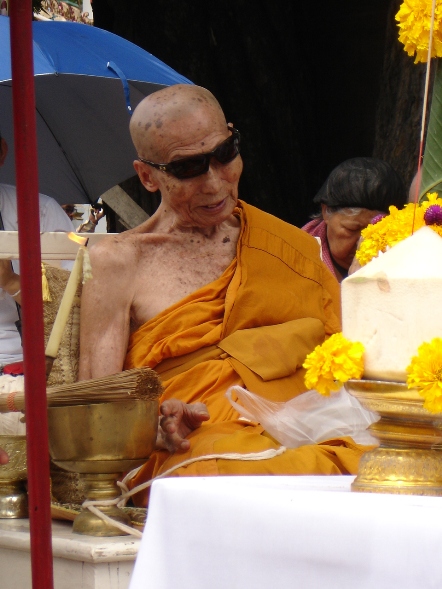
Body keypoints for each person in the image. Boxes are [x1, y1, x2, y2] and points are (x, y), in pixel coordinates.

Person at [79, 84, 371, 506]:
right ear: (147, 176)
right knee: (211, 472)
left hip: (307, 429)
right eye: (189, 169)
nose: (215, 182)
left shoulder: (287, 248)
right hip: (197, 448)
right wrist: (155, 428)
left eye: (225, 154)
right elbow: (97, 406)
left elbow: (345, 361)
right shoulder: (118, 260)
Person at [0, 132, 74, 446]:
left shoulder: (39, 211)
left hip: (23, 371)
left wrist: (12, 283)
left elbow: (73, 313)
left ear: (1, 153)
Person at [302, 158, 407, 282]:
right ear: (326, 212)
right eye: (352, 229)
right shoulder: (297, 259)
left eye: (377, 232)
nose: (362, 244)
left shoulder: (408, 259)